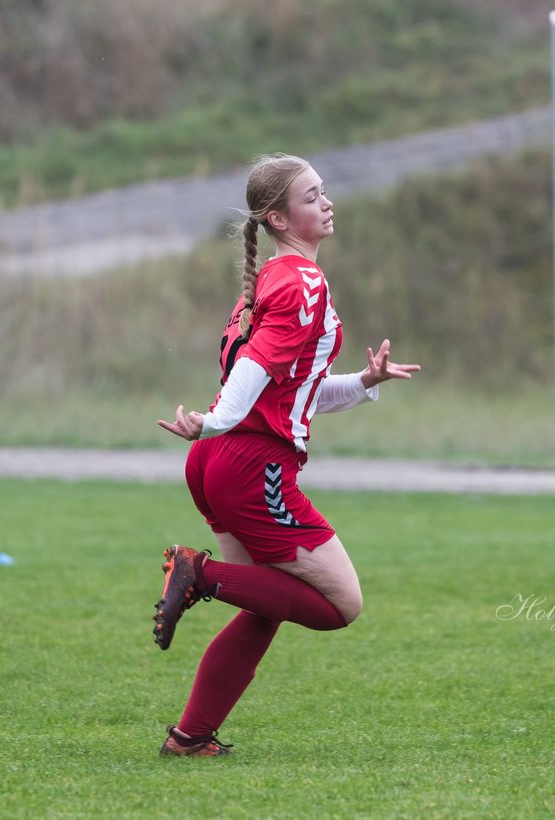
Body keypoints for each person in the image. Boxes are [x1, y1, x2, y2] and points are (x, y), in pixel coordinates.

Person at [152, 153, 420, 757]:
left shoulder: (269, 283)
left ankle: (191, 737)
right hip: (251, 465)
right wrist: (216, 419)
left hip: (221, 461)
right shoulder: (303, 281)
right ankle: (199, 574)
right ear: (277, 218)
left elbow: (294, 394)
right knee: (339, 605)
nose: (326, 202)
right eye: (311, 196)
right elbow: (254, 370)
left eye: (324, 191)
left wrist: (366, 382)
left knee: (266, 599)